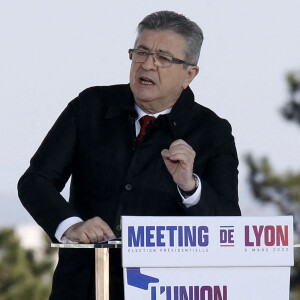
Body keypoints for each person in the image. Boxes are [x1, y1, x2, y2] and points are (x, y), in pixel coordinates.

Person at [18, 10, 240, 300]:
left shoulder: (212, 132)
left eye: (163, 58)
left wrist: (192, 187)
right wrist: (70, 226)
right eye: (141, 52)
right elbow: (35, 182)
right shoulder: (90, 107)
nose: (148, 65)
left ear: (189, 74)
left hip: (163, 290)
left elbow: (229, 227)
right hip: (82, 286)